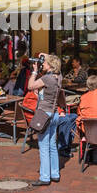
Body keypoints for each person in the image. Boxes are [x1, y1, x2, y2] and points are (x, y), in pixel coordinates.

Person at [29, 53, 64, 185]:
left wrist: (34, 71)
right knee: (52, 145)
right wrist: (46, 55)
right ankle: (55, 173)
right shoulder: (59, 77)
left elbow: (30, 86)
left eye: (44, 62)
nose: (42, 63)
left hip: (44, 114)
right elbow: (57, 62)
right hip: (54, 114)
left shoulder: (47, 78)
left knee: (43, 146)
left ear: (50, 65)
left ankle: (44, 177)